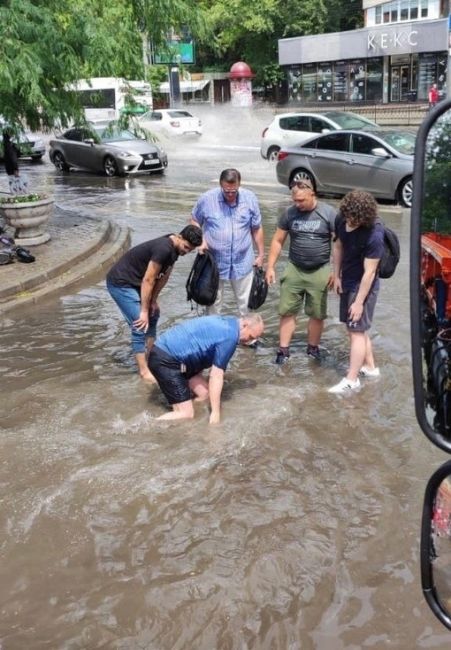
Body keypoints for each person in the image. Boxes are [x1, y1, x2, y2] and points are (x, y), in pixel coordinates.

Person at [106, 225, 202, 381]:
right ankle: (144, 372)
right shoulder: (163, 248)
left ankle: (151, 359)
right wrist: (143, 310)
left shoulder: (175, 250)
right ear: (179, 236)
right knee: (140, 323)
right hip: (120, 283)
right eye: (186, 247)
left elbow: (164, 276)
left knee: (154, 314)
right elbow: (149, 279)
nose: (186, 252)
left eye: (191, 250)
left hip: (135, 283)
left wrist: (153, 301)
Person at [265, 179, 336, 364]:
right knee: (287, 311)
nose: (297, 204)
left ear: (313, 193)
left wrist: (337, 271)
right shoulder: (290, 213)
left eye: (301, 201)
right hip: (295, 267)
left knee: (317, 313)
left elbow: (338, 244)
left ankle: (312, 349)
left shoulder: (328, 213)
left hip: (320, 269)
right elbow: (278, 240)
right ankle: (283, 350)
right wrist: (270, 266)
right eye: (295, 200)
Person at [148, 313, 264, 422]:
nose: (251, 341)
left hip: (175, 357)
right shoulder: (230, 337)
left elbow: (201, 348)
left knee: (204, 394)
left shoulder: (229, 322)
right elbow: (216, 375)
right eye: (251, 337)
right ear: (245, 325)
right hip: (166, 360)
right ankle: (149, 426)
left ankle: (183, 406)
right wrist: (215, 413)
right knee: (186, 415)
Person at [328, 190, 384, 394]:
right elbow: (338, 246)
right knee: (355, 328)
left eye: (355, 220)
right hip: (348, 278)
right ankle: (370, 368)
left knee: (356, 331)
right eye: (348, 218)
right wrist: (337, 275)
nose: (350, 222)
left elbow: (370, 273)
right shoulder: (341, 218)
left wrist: (359, 302)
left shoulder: (375, 233)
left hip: (364, 285)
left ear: (365, 218)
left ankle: (352, 380)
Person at [191, 168, 264, 316]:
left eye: (234, 191)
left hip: (243, 261)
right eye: (226, 191)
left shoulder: (250, 199)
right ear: (220, 185)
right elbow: (194, 220)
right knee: (213, 303)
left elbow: (256, 228)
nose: (230, 194)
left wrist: (261, 254)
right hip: (214, 262)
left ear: (239, 185)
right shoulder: (206, 199)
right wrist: (201, 242)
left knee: (246, 304)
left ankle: (248, 339)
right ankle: (213, 336)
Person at [2, 130, 28, 195]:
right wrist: (16, 169)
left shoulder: (5, 145)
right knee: (15, 183)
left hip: (9, 168)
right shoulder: (10, 145)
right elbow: (13, 158)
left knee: (12, 182)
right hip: (12, 169)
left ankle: (16, 194)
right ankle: (18, 194)